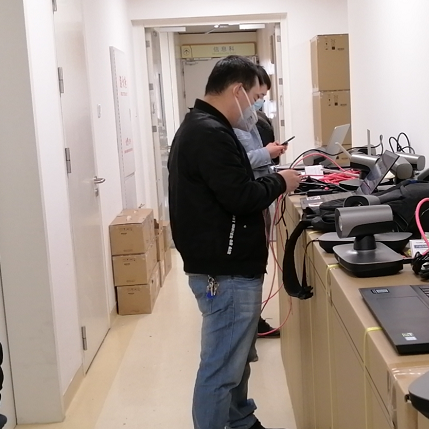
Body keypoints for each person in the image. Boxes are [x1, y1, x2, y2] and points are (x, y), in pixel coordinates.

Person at [168, 55, 300, 429]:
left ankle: (240, 418)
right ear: (238, 91)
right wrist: (281, 181)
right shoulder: (208, 133)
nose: (256, 108)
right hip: (224, 272)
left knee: (237, 359)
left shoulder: (207, 127)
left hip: (227, 264)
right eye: (256, 98)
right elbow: (240, 196)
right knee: (221, 368)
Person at [233, 67, 285, 339]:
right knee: (252, 263)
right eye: (258, 95)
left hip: (260, 192)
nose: (260, 101)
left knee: (259, 259)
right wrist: (267, 152)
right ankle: (250, 322)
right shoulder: (231, 124)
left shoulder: (250, 119)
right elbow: (242, 161)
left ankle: (253, 319)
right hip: (251, 196)